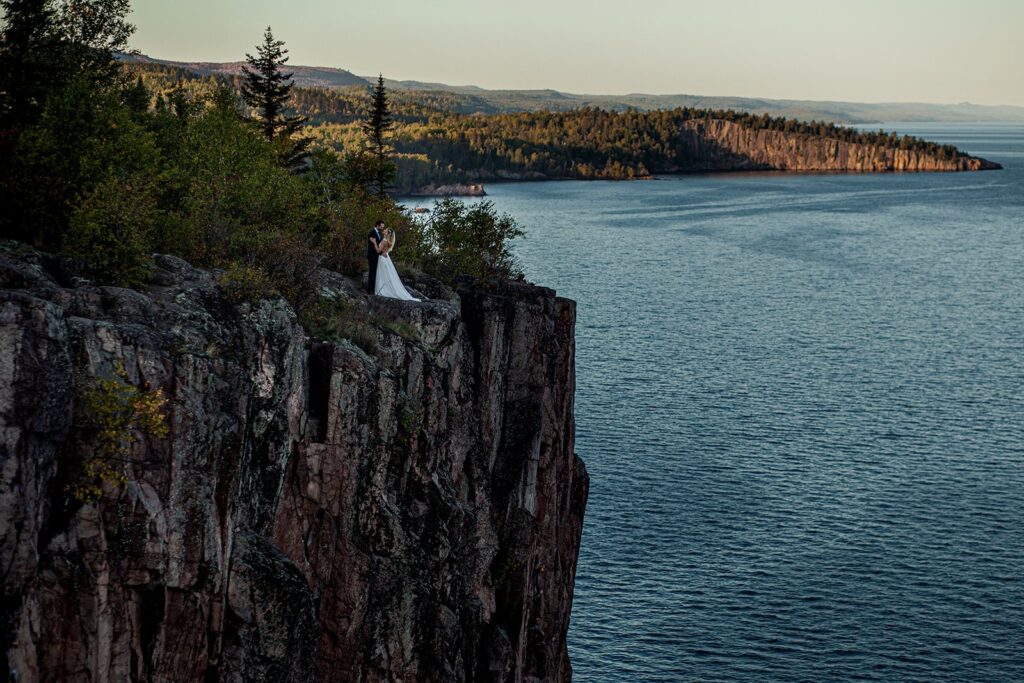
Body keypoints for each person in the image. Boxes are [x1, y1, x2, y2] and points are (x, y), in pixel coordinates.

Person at [374, 228, 421, 301]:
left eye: (386, 230)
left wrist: (374, 243)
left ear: (387, 233)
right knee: (386, 275)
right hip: (386, 259)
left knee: (382, 274)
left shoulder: (384, 241)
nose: (384, 230)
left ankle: (382, 290)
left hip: (382, 258)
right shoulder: (389, 242)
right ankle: (385, 289)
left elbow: (378, 251)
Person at [366, 220, 385, 293]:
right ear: (377, 225)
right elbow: (373, 246)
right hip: (372, 255)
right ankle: (369, 290)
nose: (382, 228)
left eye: (383, 227)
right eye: (381, 226)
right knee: (372, 272)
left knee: (375, 272)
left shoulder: (379, 233)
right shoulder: (372, 233)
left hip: (377, 255)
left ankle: (373, 288)